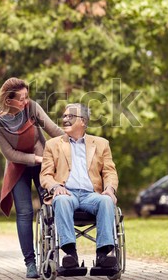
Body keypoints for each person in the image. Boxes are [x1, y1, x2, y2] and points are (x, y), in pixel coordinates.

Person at [0, 78, 64, 278]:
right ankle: (30, 263)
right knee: (24, 213)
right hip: (18, 166)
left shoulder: (31, 107)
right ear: (8, 100)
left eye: (26, 96)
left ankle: (54, 255)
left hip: (42, 163)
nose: (25, 101)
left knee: (50, 206)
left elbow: (53, 130)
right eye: (21, 98)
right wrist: (35, 158)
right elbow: (9, 154)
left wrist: (75, 142)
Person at [40, 103, 119, 271]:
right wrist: (55, 187)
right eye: (64, 116)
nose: (65, 119)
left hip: (91, 195)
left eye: (70, 116)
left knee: (106, 201)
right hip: (67, 193)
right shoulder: (53, 145)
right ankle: (70, 255)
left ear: (82, 121)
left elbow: (109, 172)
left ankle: (103, 255)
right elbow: (45, 175)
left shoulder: (101, 144)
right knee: (61, 200)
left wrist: (110, 189)